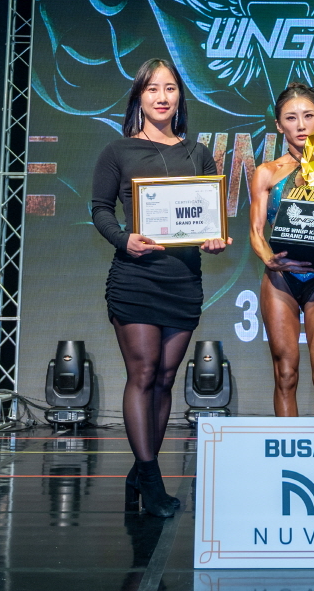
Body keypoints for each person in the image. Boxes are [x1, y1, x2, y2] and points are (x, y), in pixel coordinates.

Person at [91, 58, 230, 518]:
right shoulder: (118, 151)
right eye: (152, 88)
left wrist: (215, 239)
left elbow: (209, 216)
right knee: (144, 373)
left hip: (183, 280)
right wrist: (123, 239)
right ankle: (151, 479)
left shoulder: (198, 153)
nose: (162, 96)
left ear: (179, 97)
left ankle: (139, 470)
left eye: (170, 88)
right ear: (139, 97)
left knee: (166, 379)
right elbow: (100, 209)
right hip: (136, 279)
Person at [248, 82, 314, 417]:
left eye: (308, 116)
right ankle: (288, 447)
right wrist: (270, 259)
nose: (301, 125)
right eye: (291, 118)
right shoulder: (267, 173)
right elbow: (256, 232)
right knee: (286, 375)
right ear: (279, 125)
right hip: (281, 281)